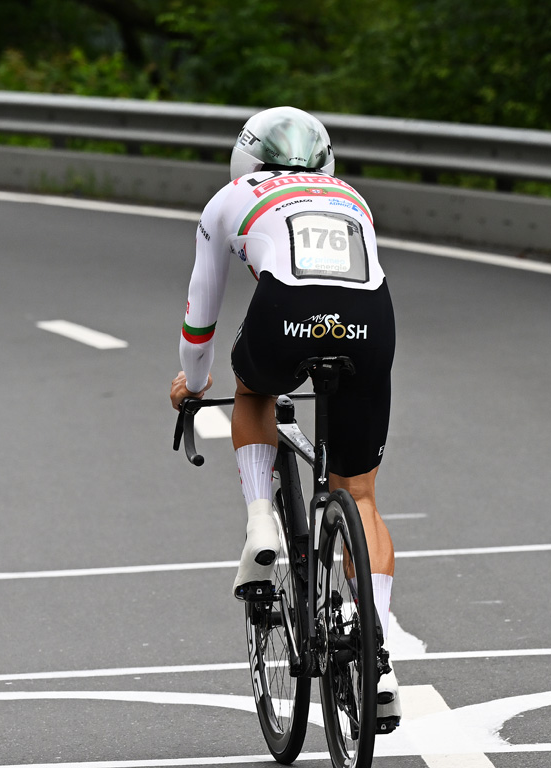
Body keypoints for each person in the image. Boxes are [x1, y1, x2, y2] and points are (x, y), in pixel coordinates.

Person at [168, 106, 400, 728]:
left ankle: (261, 525)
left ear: (246, 156)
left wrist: (192, 385)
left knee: (254, 393)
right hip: (370, 326)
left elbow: (201, 314)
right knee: (363, 498)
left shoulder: (229, 198)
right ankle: (374, 657)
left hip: (284, 319)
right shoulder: (351, 196)